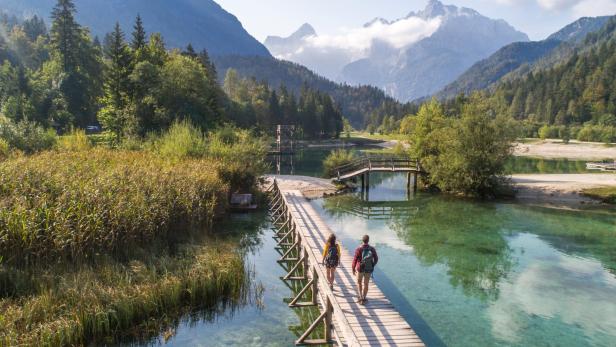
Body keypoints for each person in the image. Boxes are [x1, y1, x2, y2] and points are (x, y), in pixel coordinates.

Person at [352, 235, 378, 305]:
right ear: (368, 240)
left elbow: (355, 260)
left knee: (359, 282)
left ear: (362, 240)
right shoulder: (372, 249)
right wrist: (372, 265)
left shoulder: (359, 249)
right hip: (368, 269)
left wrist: (353, 268)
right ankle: (364, 297)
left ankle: (360, 297)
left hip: (360, 269)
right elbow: (376, 259)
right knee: (366, 283)